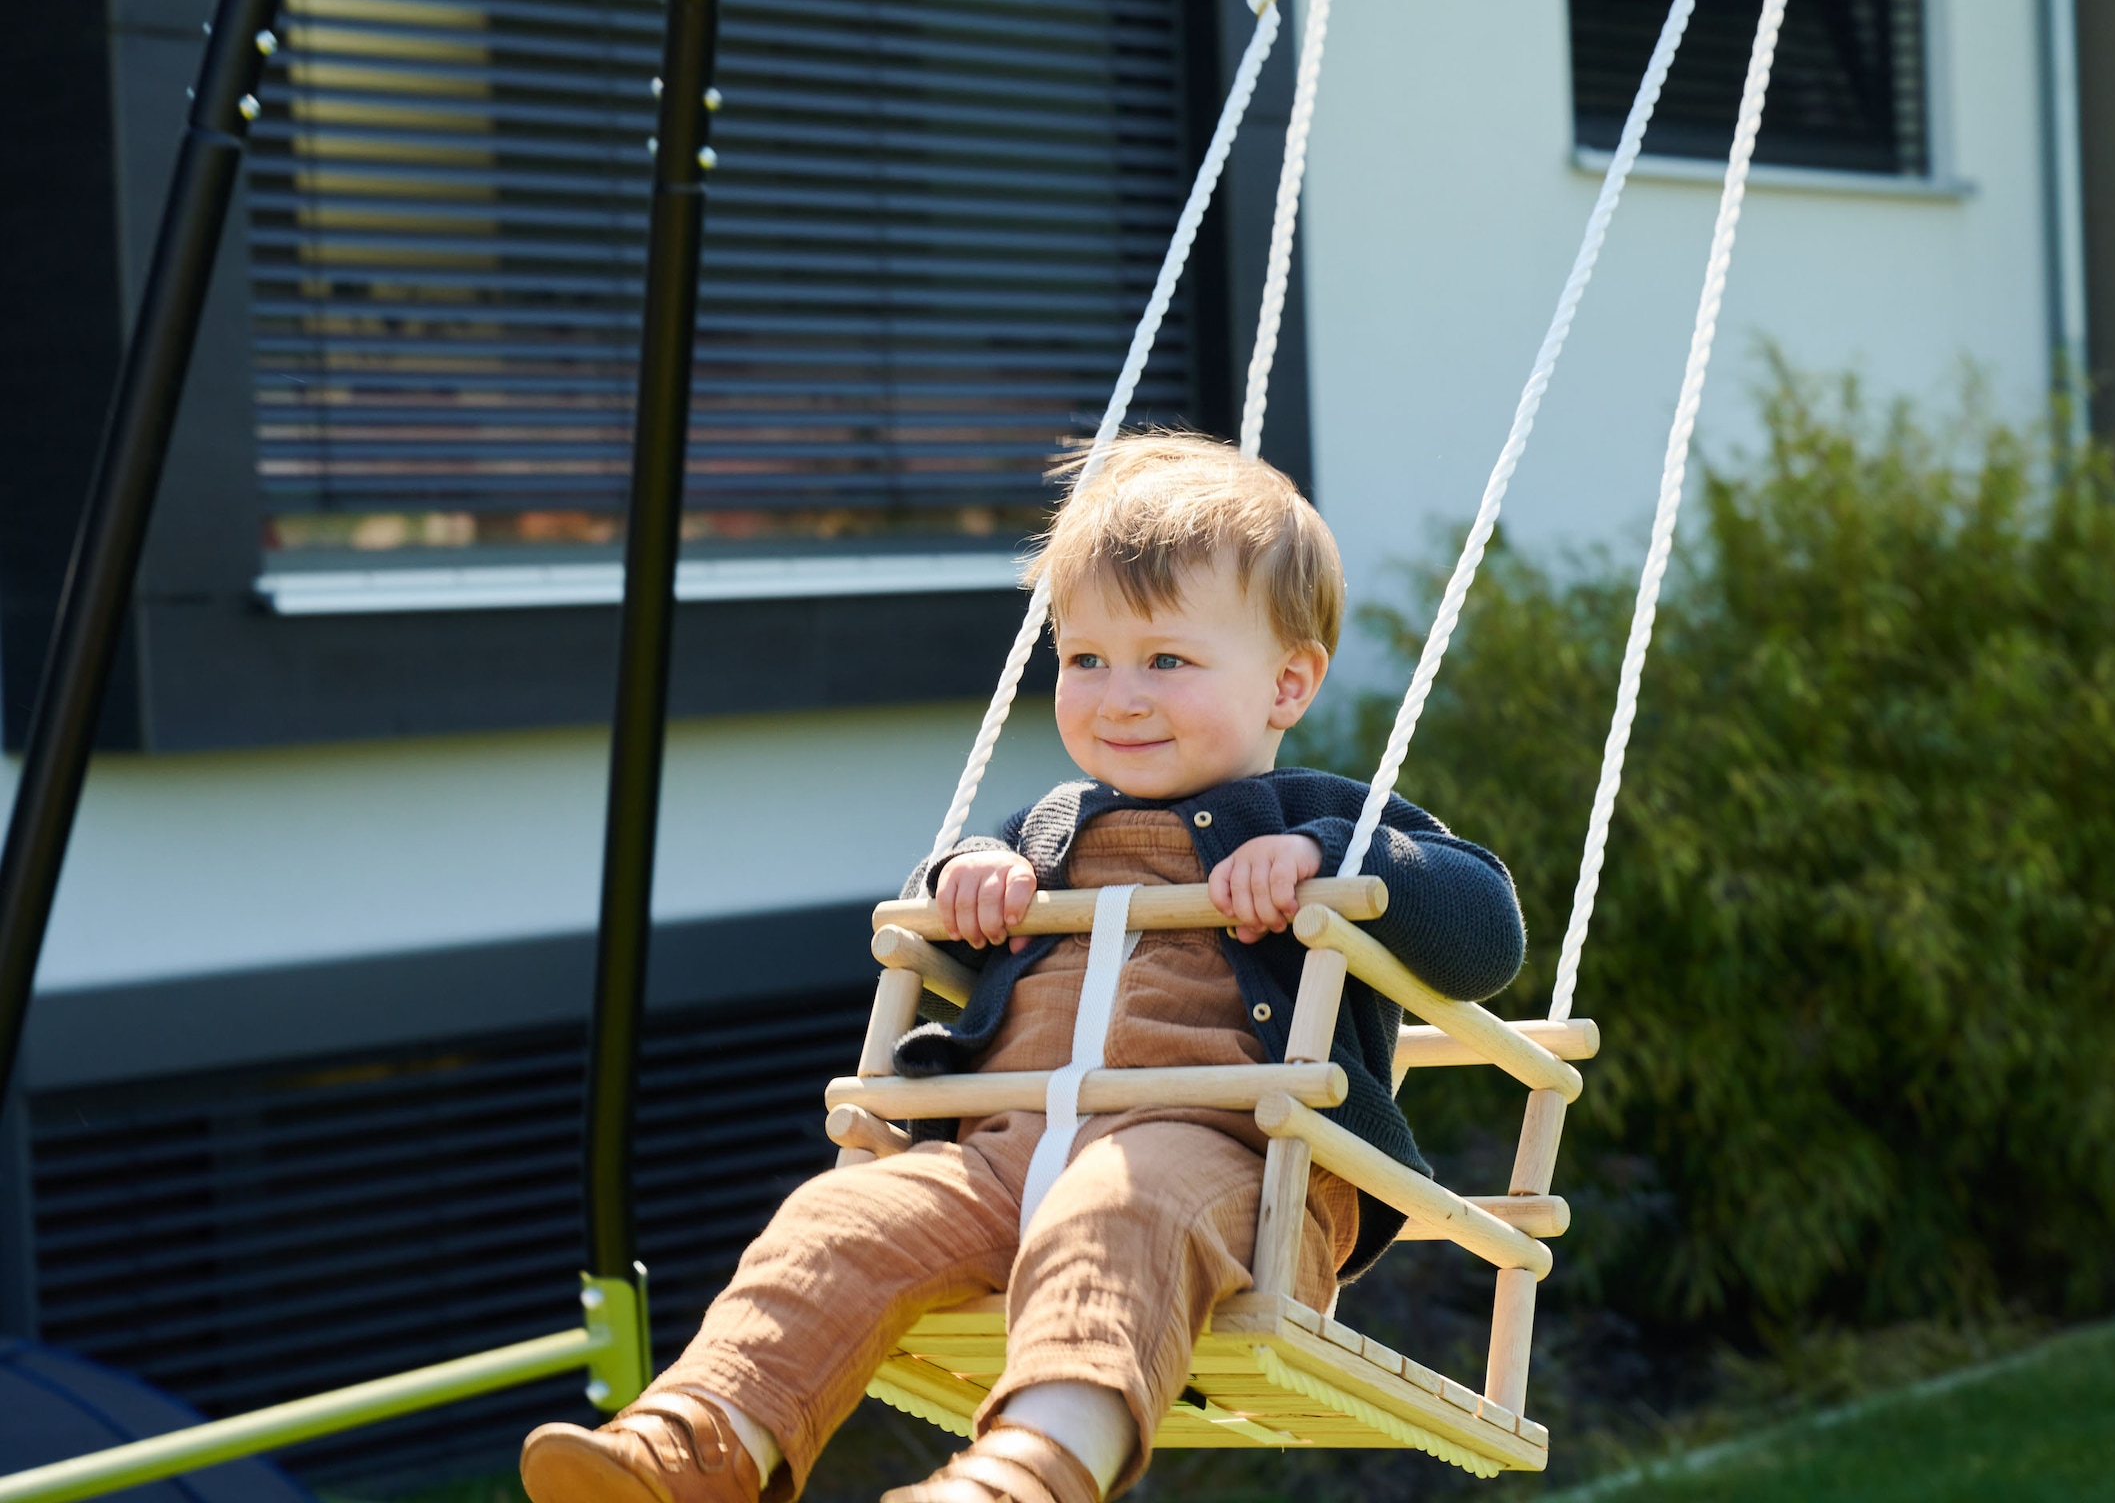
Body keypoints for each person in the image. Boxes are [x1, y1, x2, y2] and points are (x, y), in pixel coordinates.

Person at [520, 434, 1525, 1503]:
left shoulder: (1320, 817)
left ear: (1289, 680)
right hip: (1007, 1153)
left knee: (1116, 1211)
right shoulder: (1047, 826)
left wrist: (1333, 860)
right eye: (1085, 659)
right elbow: (954, 936)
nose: (1118, 696)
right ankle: (700, 1441)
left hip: (1232, 1169)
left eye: (1165, 661)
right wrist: (972, 876)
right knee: (837, 1220)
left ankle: (1022, 1478)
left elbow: (1486, 927)